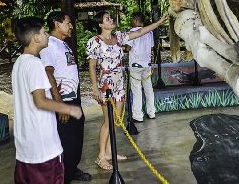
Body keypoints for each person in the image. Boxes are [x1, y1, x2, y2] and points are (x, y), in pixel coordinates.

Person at [86, 11, 167, 170]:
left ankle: (109, 151)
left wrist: (157, 23)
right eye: (107, 19)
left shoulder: (119, 37)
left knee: (116, 120)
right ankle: (101, 156)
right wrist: (95, 87)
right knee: (108, 121)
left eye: (111, 17)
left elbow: (140, 32)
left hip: (119, 81)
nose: (111, 19)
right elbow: (91, 66)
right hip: (106, 83)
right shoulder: (94, 41)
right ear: (101, 24)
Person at [12, 16, 82, 184]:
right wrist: (68, 108)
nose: (47, 36)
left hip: (25, 149)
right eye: (44, 32)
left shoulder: (19, 63)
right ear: (36, 38)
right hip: (43, 148)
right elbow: (40, 101)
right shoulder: (35, 64)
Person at [40, 11, 91, 183]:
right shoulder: (49, 45)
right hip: (63, 101)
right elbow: (49, 74)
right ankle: (64, 176)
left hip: (74, 99)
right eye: (68, 22)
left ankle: (72, 169)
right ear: (56, 23)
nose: (71, 26)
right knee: (67, 141)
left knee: (77, 138)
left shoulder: (64, 44)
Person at [127, 12, 156, 122]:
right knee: (149, 88)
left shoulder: (132, 32)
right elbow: (151, 46)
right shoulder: (150, 32)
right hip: (147, 63)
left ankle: (138, 116)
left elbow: (128, 48)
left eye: (132, 19)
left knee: (137, 90)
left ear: (136, 20)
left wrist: (124, 46)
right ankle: (151, 112)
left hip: (136, 64)